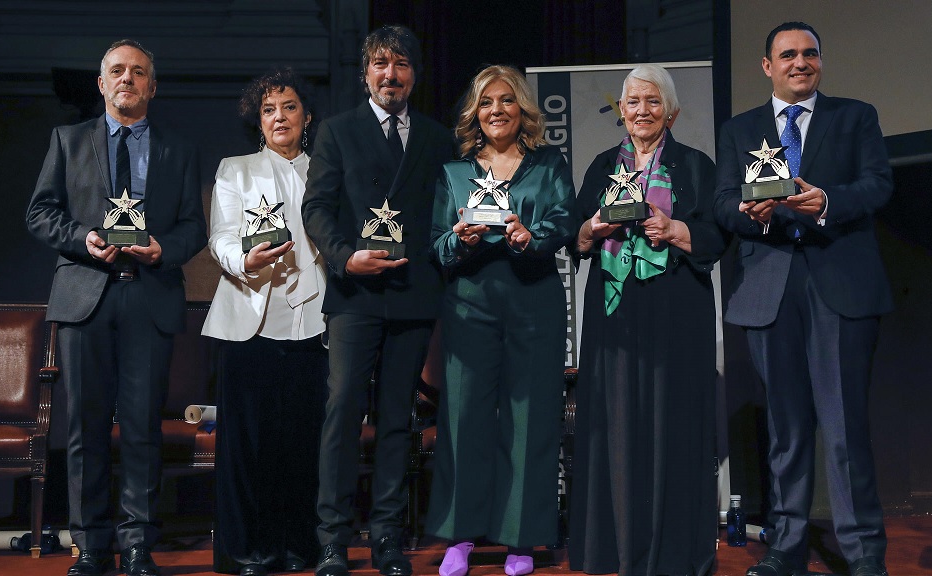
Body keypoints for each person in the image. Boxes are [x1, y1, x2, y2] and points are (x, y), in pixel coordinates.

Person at [713, 22, 892, 576]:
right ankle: (786, 548)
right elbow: (721, 203)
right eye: (787, 54)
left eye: (810, 53)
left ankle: (863, 554)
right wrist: (747, 211)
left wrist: (828, 200)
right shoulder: (741, 128)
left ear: (820, 62)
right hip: (770, 287)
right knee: (786, 431)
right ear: (767, 65)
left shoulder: (854, 115)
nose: (800, 62)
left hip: (838, 284)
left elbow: (878, 184)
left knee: (843, 429)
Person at [25, 39, 206, 576]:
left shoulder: (178, 148)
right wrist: (84, 239)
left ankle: (137, 545)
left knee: (143, 426)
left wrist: (163, 249)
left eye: (139, 72)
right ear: (102, 84)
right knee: (84, 428)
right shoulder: (68, 140)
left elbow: (193, 227)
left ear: (153, 86)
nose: (127, 79)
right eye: (117, 71)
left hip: (148, 296)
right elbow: (40, 213)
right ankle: (91, 543)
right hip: (85, 297)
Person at [301, 24, 454, 576]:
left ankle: (388, 536)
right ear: (366, 72)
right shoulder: (337, 132)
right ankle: (332, 540)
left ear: (414, 74)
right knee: (342, 411)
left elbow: (447, 214)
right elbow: (315, 208)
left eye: (402, 65)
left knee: (397, 417)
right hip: (354, 294)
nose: (391, 75)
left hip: (414, 296)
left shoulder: (439, 139)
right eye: (381, 64)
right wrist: (345, 258)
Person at [567, 63, 728, 576]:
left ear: (672, 111)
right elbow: (575, 233)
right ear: (621, 110)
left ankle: (673, 551)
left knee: (672, 427)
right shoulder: (600, 166)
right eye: (632, 102)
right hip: (615, 315)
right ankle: (615, 546)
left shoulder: (696, 165)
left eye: (652, 102)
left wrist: (674, 227)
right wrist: (594, 226)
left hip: (677, 312)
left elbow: (717, 237)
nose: (641, 111)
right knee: (616, 427)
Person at [427, 64, 576, 576]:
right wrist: (459, 239)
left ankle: (521, 538)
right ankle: (460, 538)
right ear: (476, 112)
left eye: (507, 101)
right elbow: (438, 245)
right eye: (487, 102)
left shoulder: (549, 164)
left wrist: (528, 237)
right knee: (464, 420)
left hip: (533, 301)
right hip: (470, 303)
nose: (497, 110)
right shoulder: (454, 173)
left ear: (523, 110)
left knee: (530, 422)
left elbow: (563, 222)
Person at [201, 69, 328, 576]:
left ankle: (298, 546)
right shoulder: (235, 169)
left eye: (290, 107)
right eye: (270, 109)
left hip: (313, 320)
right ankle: (245, 550)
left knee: (302, 442)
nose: (280, 116)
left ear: (307, 117)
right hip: (249, 318)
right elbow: (221, 237)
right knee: (246, 445)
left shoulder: (326, 170)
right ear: (259, 119)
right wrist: (243, 261)